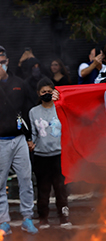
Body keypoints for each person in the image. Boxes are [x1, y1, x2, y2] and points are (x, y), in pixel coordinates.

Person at [0, 45, 38, 234]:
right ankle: (3, 221)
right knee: (0, 182)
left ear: (7, 61)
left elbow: (28, 109)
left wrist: (30, 136)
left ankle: (27, 218)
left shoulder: (19, 83)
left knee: (25, 179)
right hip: (0, 141)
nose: (0, 66)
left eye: (2, 62)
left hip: (19, 139)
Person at [28, 78, 69, 228]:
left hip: (59, 155)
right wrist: (31, 143)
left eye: (49, 91)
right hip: (41, 156)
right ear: (38, 93)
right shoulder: (33, 112)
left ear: (54, 92)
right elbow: (33, 133)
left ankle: (64, 217)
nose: (46, 94)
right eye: (43, 91)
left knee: (61, 189)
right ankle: (43, 218)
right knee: (43, 189)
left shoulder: (61, 107)